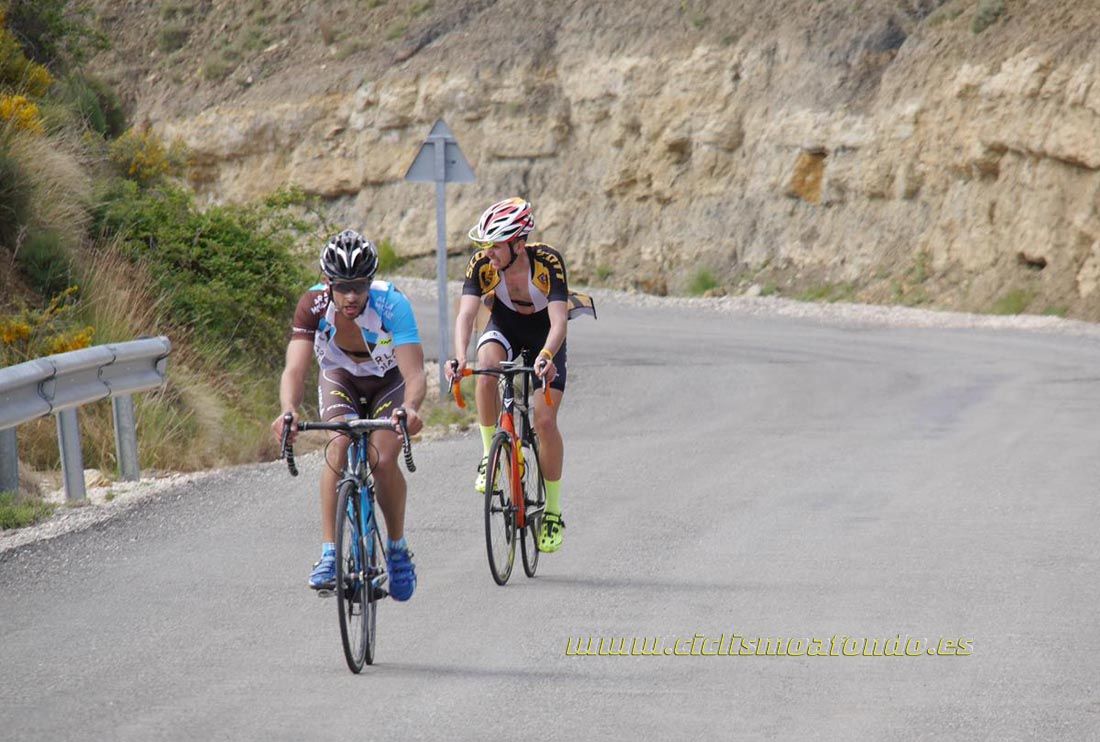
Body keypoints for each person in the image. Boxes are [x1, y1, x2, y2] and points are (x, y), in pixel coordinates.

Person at [272, 229, 425, 600]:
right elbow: (294, 369)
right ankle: (328, 553)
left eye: (359, 286)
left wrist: (411, 408)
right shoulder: (312, 305)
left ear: (370, 282)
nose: (351, 296)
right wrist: (288, 410)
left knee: (383, 459)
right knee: (338, 444)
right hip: (340, 376)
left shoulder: (393, 305)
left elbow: (414, 373)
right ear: (328, 283)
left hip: (387, 380)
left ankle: (397, 547)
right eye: (342, 287)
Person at [447, 197, 593, 554]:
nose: (488, 253)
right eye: (485, 245)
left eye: (495, 245)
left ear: (518, 243)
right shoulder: (482, 265)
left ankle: (554, 511)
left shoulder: (548, 261)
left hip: (545, 334)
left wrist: (545, 355)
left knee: (544, 421)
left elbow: (559, 321)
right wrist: (457, 357)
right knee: (485, 373)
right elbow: (466, 317)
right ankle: (489, 456)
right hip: (506, 326)